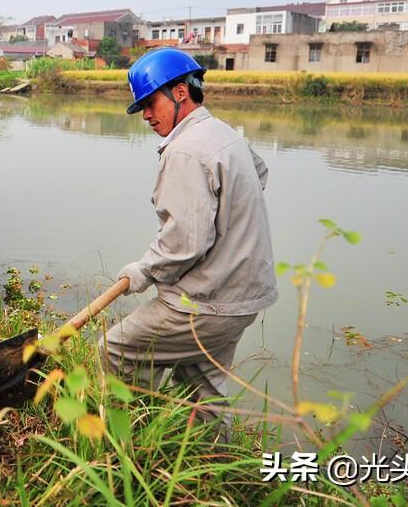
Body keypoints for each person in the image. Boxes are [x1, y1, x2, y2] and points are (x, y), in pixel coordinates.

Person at [100, 48, 277, 426]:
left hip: (205, 304)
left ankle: (128, 441)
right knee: (203, 386)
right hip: (243, 299)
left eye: (150, 103)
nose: (146, 115)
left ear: (180, 92)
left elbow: (185, 242)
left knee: (118, 349)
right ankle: (216, 469)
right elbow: (259, 175)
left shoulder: (184, 150)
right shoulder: (226, 134)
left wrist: (143, 271)